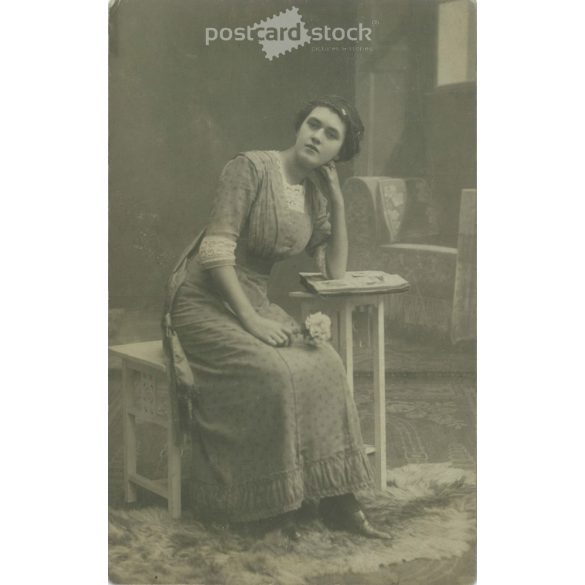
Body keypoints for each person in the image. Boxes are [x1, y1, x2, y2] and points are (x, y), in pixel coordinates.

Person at [162, 95, 390, 540]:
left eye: (330, 135)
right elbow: (214, 251)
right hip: (204, 300)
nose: (316, 136)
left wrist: (339, 203)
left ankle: (338, 500)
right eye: (313, 124)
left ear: (338, 154)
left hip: (254, 300)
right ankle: (264, 503)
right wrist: (251, 322)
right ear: (299, 125)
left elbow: (335, 270)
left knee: (326, 364)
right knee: (273, 372)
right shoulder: (249, 168)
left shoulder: (315, 194)